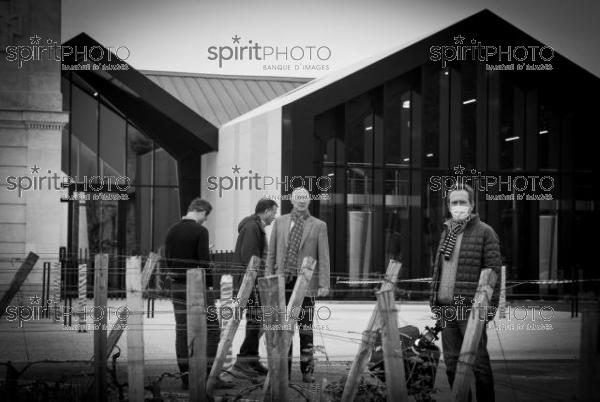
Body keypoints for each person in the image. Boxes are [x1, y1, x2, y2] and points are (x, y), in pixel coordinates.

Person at [430, 184, 501, 402]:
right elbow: (439, 270)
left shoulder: (485, 232)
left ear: (471, 205)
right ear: (448, 205)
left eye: (463, 202)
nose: (458, 206)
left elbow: (494, 275)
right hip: (447, 310)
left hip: (471, 310)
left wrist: (486, 312)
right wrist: (434, 302)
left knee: (479, 364)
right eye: (454, 202)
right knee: (451, 364)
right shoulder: (447, 232)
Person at [164, 198, 233, 390]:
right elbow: (203, 264)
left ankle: (186, 377)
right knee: (212, 329)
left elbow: (168, 259)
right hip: (199, 288)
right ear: (201, 211)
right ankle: (208, 376)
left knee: (182, 330)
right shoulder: (201, 231)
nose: (205, 221)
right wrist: (210, 287)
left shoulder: (172, 230)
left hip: (177, 286)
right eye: (206, 216)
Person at [266, 187, 330, 383]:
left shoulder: (319, 225)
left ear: (309, 201)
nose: (301, 201)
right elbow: (272, 253)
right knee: (282, 327)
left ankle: (307, 370)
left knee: (305, 328)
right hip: (282, 281)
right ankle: (283, 370)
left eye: (305, 198)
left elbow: (324, 257)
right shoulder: (280, 221)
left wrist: (324, 283)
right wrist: (268, 277)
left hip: (306, 284)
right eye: (298, 198)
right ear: (292, 201)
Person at [230, 198, 279, 376]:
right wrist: (259, 284)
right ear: (266, 211)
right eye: (274, 212)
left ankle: (251, 359)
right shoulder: (252, 228)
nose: (274, 216)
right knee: (255, 321)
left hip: (252, 282)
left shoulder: (254, 227)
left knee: (256, 321)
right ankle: (243, 361)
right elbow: (251, 259)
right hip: (250, 283)